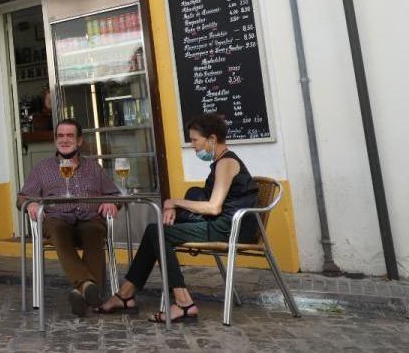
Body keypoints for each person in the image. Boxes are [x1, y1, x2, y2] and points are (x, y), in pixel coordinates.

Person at [98, 113, 260, 323]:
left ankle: (183, 303)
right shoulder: (221, 161)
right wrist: (174, 207)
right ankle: (125, 294)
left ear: (211, 138)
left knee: (158, 232)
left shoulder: (226, 163)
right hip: (224, 225)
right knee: (154, 231)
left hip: (229, 228)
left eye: (194, 140)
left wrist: (174, 202)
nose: (192, 145)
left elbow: (213, 207)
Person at [18, 119, 120, 316]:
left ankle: (80, 291)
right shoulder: (42, 168)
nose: (64, 140)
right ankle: (87, 284)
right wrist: (30, 203)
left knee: (94, 231)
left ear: (79, 141)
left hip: (89, 218)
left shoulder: (93, 167)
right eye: (60, 136)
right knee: (57, 229)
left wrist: (112, 202)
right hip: (57, 219)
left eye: (70, 136)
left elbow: (114, 195)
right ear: (55, 140)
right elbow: (22, 197)